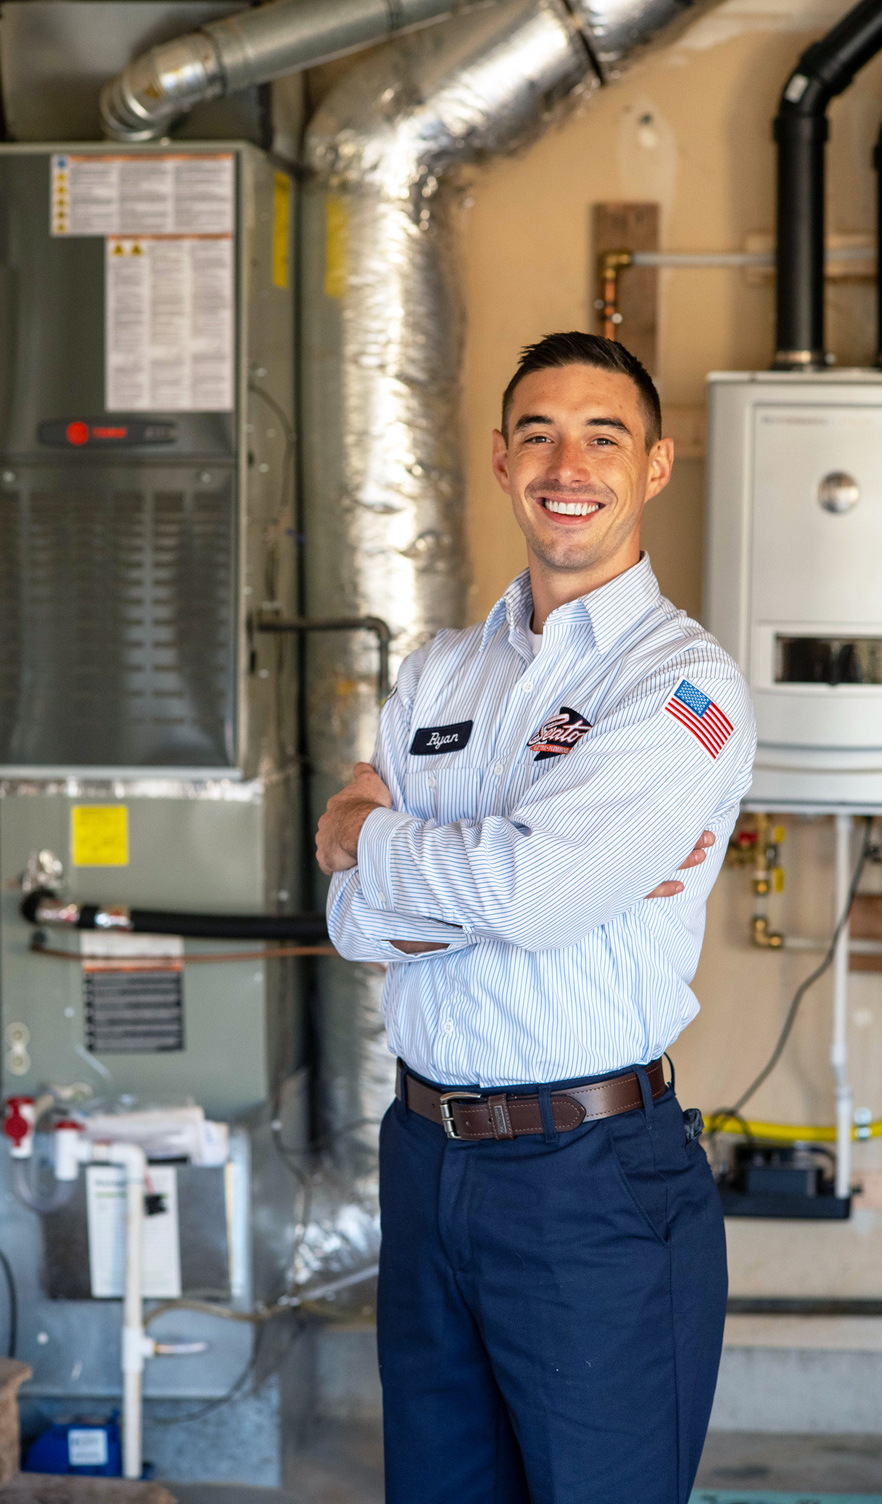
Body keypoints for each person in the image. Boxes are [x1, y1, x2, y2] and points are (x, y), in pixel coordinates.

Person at [315, 331, 757, 1504]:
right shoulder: (440, 673)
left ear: (654, 466)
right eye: (539, 433)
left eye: (603, 435)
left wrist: (375, 839)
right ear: (503, 460)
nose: (569, 462)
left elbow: (532, 893)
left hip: (589, 1179)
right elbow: (353, 924)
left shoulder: (681, 684)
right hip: (424, 1162)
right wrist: (488, 882)